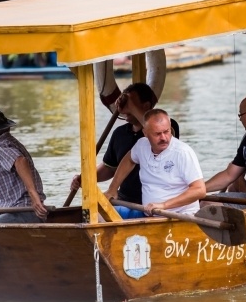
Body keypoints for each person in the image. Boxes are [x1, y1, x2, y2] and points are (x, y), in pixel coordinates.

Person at [71, 83, 179, 218]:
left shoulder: (167, 130)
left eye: (131, 102)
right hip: (123, 201)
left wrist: (131, 107)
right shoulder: (119, 133)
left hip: (153, 205)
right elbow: (109, 168)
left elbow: (159, 137)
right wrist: (86, 179)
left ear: (145, 106)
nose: (126, 107)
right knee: (88, 215)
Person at [103, 109, 205, 217]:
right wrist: (112, 189)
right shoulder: (141, 145)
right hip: (148, 214)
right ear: (145, 133)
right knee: (97, 214)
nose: (164, 138)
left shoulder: (183, 152)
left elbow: (199, 190)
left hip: (179, 218)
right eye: (157, 134)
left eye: (166, 131)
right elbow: (128, 160)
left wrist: (164, 205)